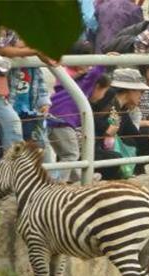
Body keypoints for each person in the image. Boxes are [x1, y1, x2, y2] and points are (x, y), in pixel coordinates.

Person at [47, 41, 107, 182]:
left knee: (68, 154)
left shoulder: (65, 79)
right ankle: (57, 184)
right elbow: (94, 74)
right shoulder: (83, 83)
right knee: (70, 155)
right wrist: (104, 61)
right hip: (62, 122)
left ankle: (80, 177)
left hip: (53, 120)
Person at [91, 68, 149, 180]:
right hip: (89, 149)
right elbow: (94, 120)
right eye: (140, 91)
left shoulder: (122, 110)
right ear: (130, 90)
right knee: (114, 158)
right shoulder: (107, 100)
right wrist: (107, 130)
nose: (142, 96)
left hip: (101, 148)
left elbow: (135, 135)